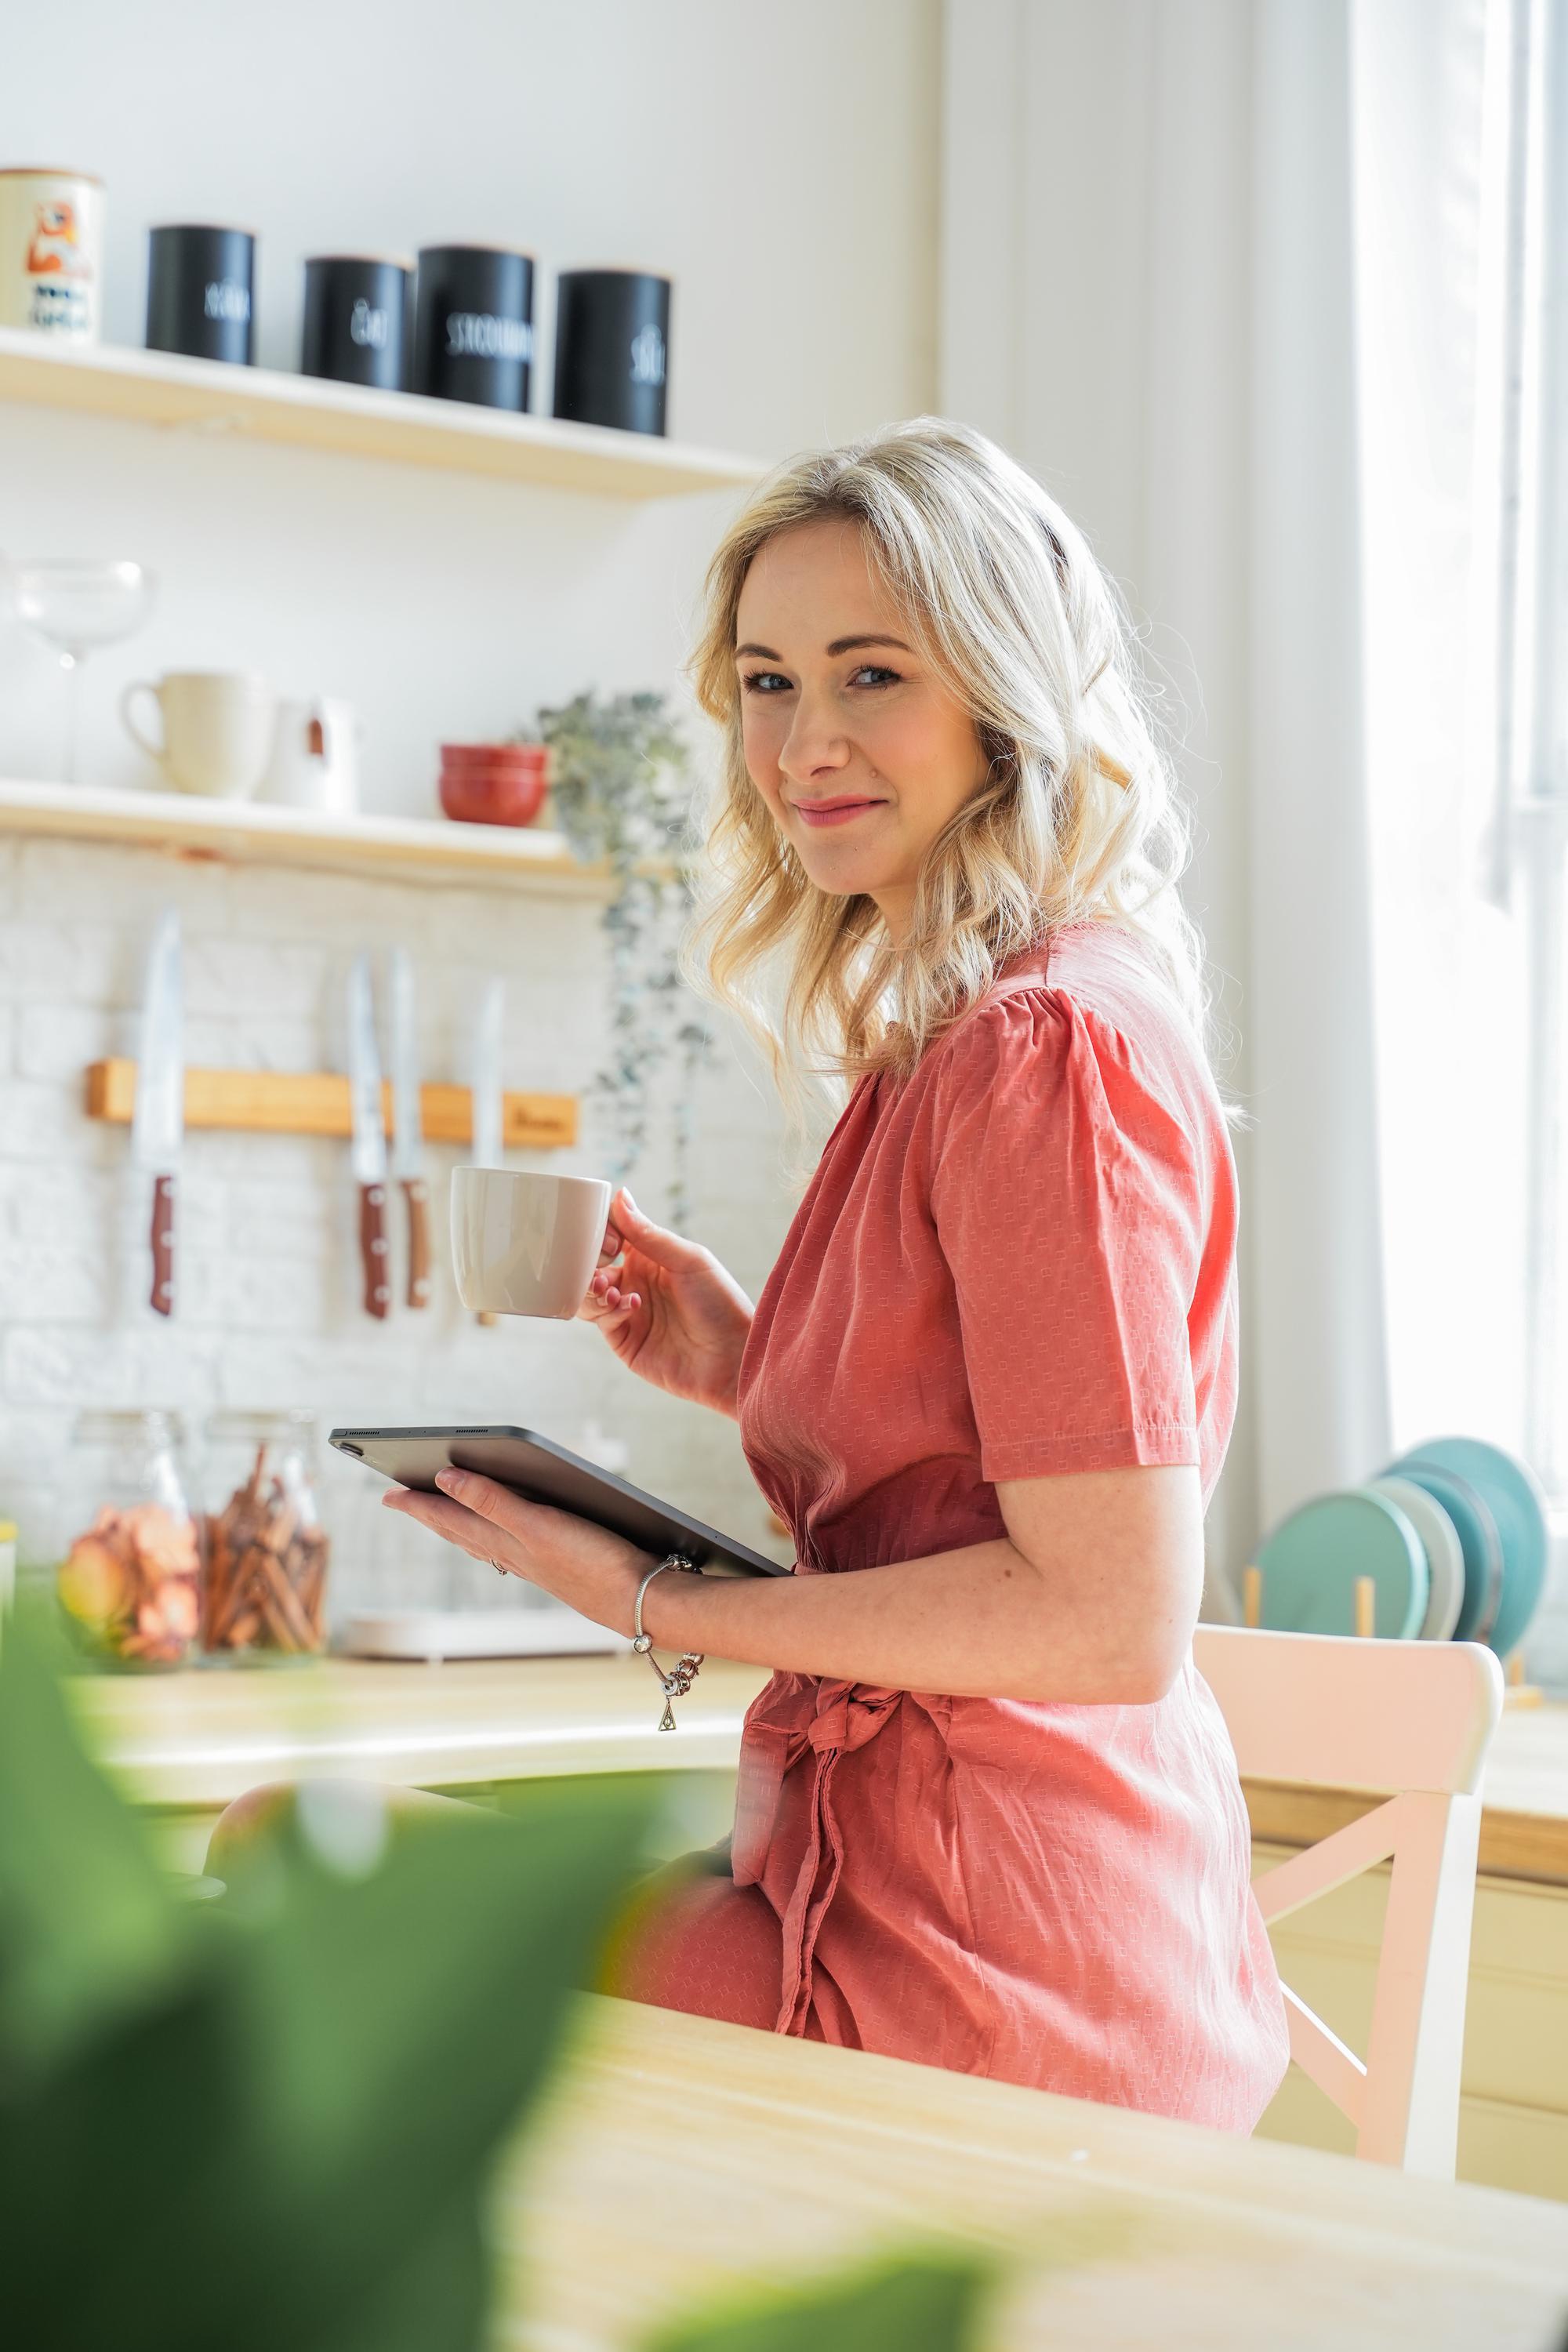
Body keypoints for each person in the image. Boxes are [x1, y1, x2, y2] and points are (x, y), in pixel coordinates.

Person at [369, 419, 1290, 2129]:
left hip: (988, 1986)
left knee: (305, 1868)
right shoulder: (967, 1029)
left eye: (873, 674)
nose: (804, 745)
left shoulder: (1036, 1051)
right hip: (907, 1902)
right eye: (768, 684)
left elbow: (1107, 1616)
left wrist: (654, 1601)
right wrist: (748, 1358)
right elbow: (989, 1456)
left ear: (1004, 692)